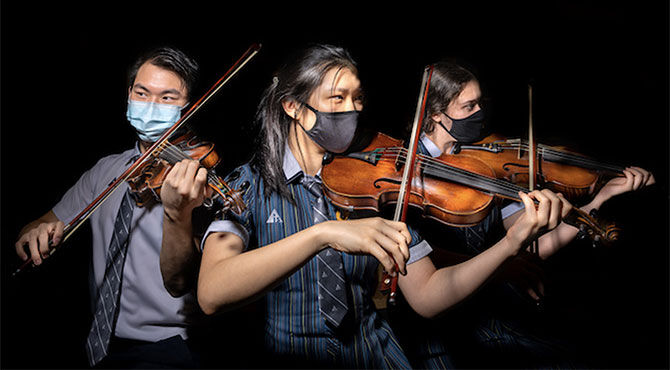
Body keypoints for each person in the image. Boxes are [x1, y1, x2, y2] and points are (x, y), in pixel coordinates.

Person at [161, 44, 574, 368]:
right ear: (293, 106)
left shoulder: (373, 186)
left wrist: (509, 244)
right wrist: (323, 234)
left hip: (377, 356)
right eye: (336, 98)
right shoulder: (247, 185)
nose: (352, 111)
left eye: (357, 99)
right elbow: (212, 292)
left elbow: (429, 296)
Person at [389, 59, 656, 368]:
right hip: (441, 337)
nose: (480, 114)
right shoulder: (402, 174)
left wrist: (599, 199)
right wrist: (506, 259)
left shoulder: (486, 160)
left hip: (495, 318)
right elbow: (426, 290)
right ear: (436, 114)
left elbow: (533, 247)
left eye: (481, 103)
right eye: (468, 106)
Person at [14, 46, 207, 368]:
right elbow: (38, 224)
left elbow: (180, 282)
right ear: (129, 94)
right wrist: (35, 232)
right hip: (98, 342)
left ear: (188, 107)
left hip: (172, 348)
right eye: (142, 93)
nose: (150, 106)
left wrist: (179, 212)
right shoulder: (105, 170)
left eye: (167, 98)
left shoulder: (196, 177)